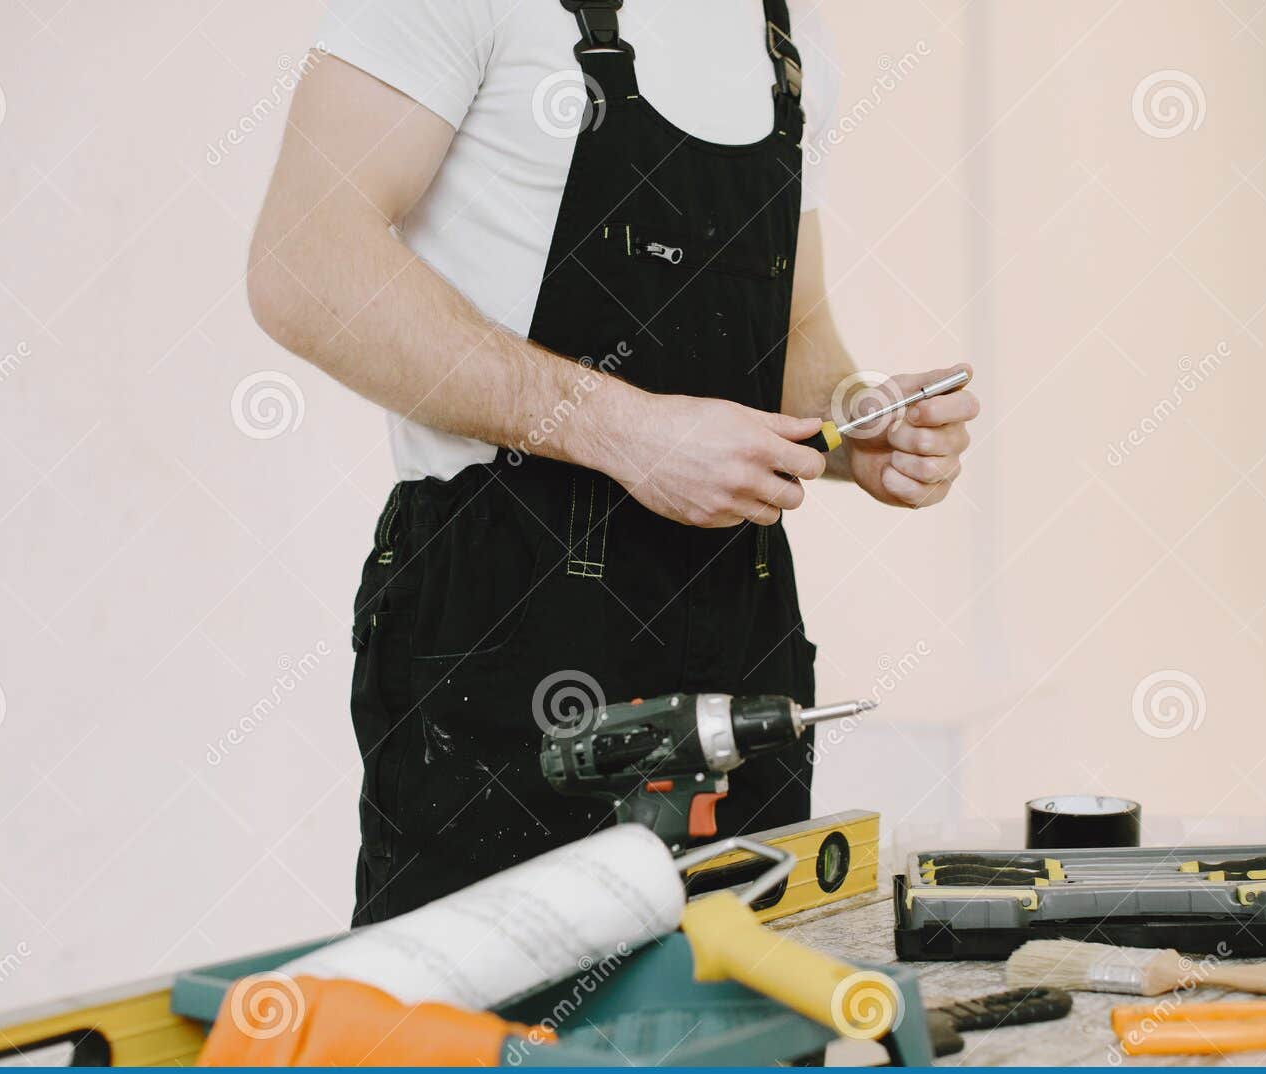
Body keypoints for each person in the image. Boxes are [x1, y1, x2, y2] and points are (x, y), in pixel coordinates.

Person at [247, 0, 979, 924]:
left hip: (738, 637)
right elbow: (305, 263)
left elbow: (792, 337)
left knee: (741, 1032)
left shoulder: (789, 37)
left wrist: (857, 421)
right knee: (490, 1049)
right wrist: (627, 433)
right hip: (509, 622)